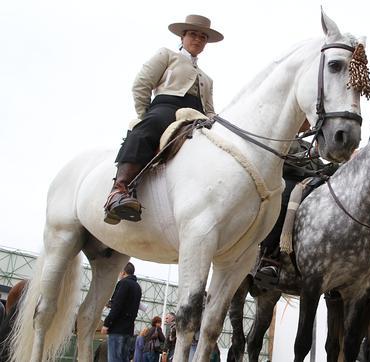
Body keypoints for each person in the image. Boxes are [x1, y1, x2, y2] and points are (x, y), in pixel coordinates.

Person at [104, 14, 224, 225]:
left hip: (198, 116)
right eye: (193, 35)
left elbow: (210, 109)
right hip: (167, 107)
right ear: (182, 36)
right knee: (149, 128)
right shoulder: (167, 55)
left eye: (203, 37)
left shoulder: (207, 78)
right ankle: (118, 190)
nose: (198, 40)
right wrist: (146, 114)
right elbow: (142, 84)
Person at [255, 135, 338, 284]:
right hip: (287, 182)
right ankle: (269, 260)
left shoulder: (307, 145)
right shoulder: (285, 138)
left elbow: (321, 168)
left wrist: (346, 162)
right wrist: (312, 153)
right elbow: (283, 161)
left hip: (309, 186)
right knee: (284, 203)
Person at [101, 262, 143, 362]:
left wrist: (107, 324)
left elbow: (117, 306)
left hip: (117, 328)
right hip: (128, 330)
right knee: (124, 359)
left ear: (123, 272)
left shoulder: (123, 283)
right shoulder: (137, 287)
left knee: (114, 358)